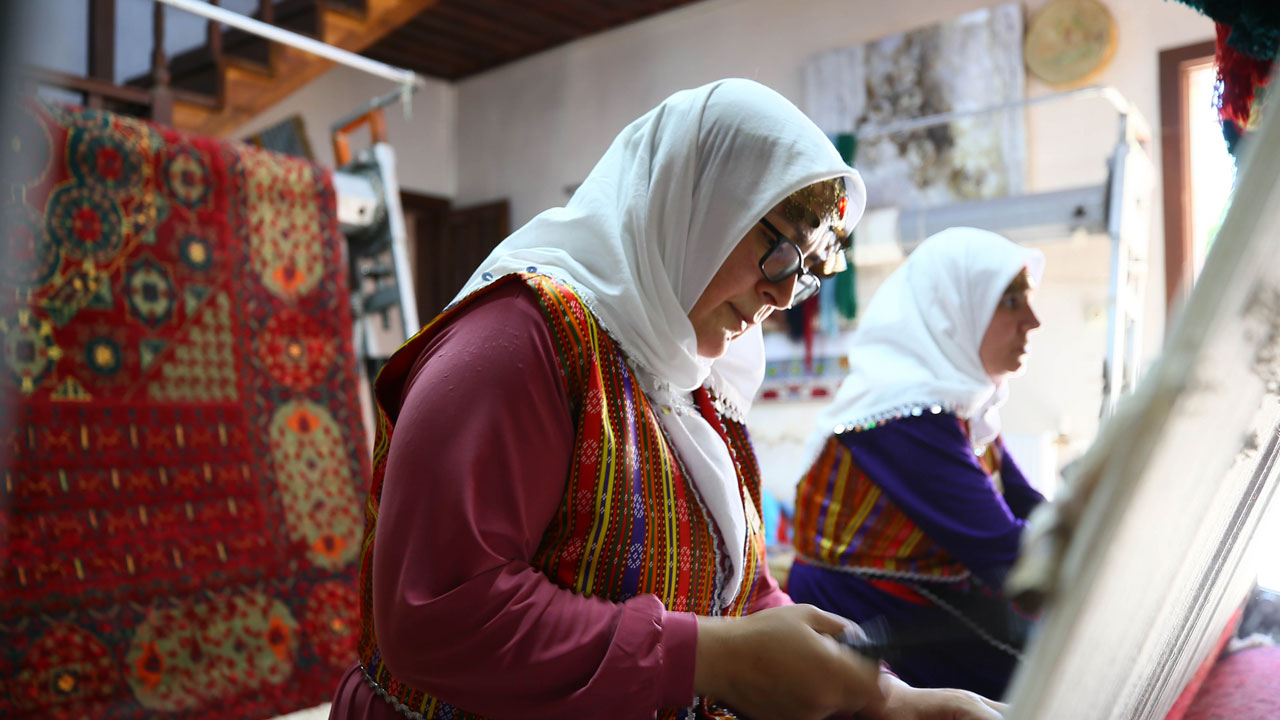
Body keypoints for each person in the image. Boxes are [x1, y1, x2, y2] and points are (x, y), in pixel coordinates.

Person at [329, 79, 1007, 720]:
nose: (780, 295)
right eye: (778, 252)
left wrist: (881, 697)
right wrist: (709, 658)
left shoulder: (695, 380)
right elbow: (438, 612)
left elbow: (733, 588)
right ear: (701, 201)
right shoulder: (520, 341)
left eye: (805, 274)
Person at [788, 227, 1047, 700]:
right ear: (952, 313)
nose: (1033, 320)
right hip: (866, 611)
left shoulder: (958, 410)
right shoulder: (904, 419)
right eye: (1010, 301)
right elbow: (1005, 555)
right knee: (1045, 677)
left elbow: (1028, 506)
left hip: (919, 597)